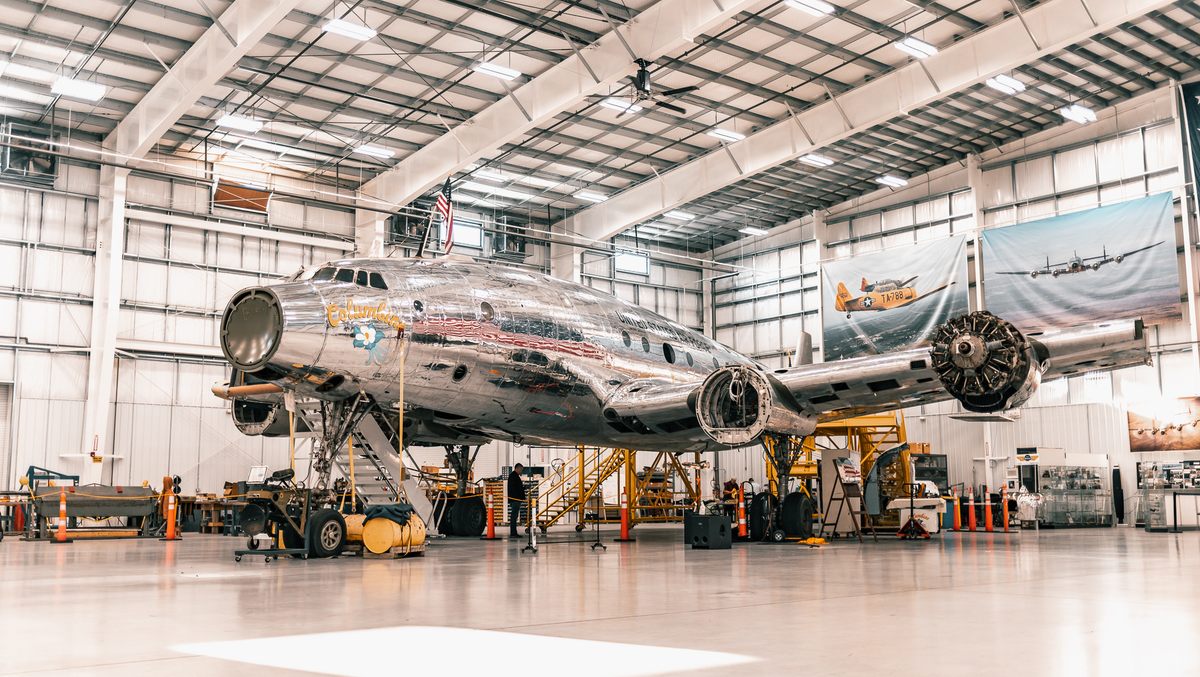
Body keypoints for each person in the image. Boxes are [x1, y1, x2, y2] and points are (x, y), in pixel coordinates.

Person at [507, 463, 527, 538]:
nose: (522, 471)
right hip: (515, 499)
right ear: (517, 468)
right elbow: (514, 488)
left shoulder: (514, 476)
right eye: (521, 470)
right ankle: (513, 533)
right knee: (514, 516)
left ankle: (514, 532)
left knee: (514, 516)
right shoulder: (513, 476)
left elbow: (516, 487)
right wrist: (522, 489)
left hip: (515, 499)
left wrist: (523, 488)